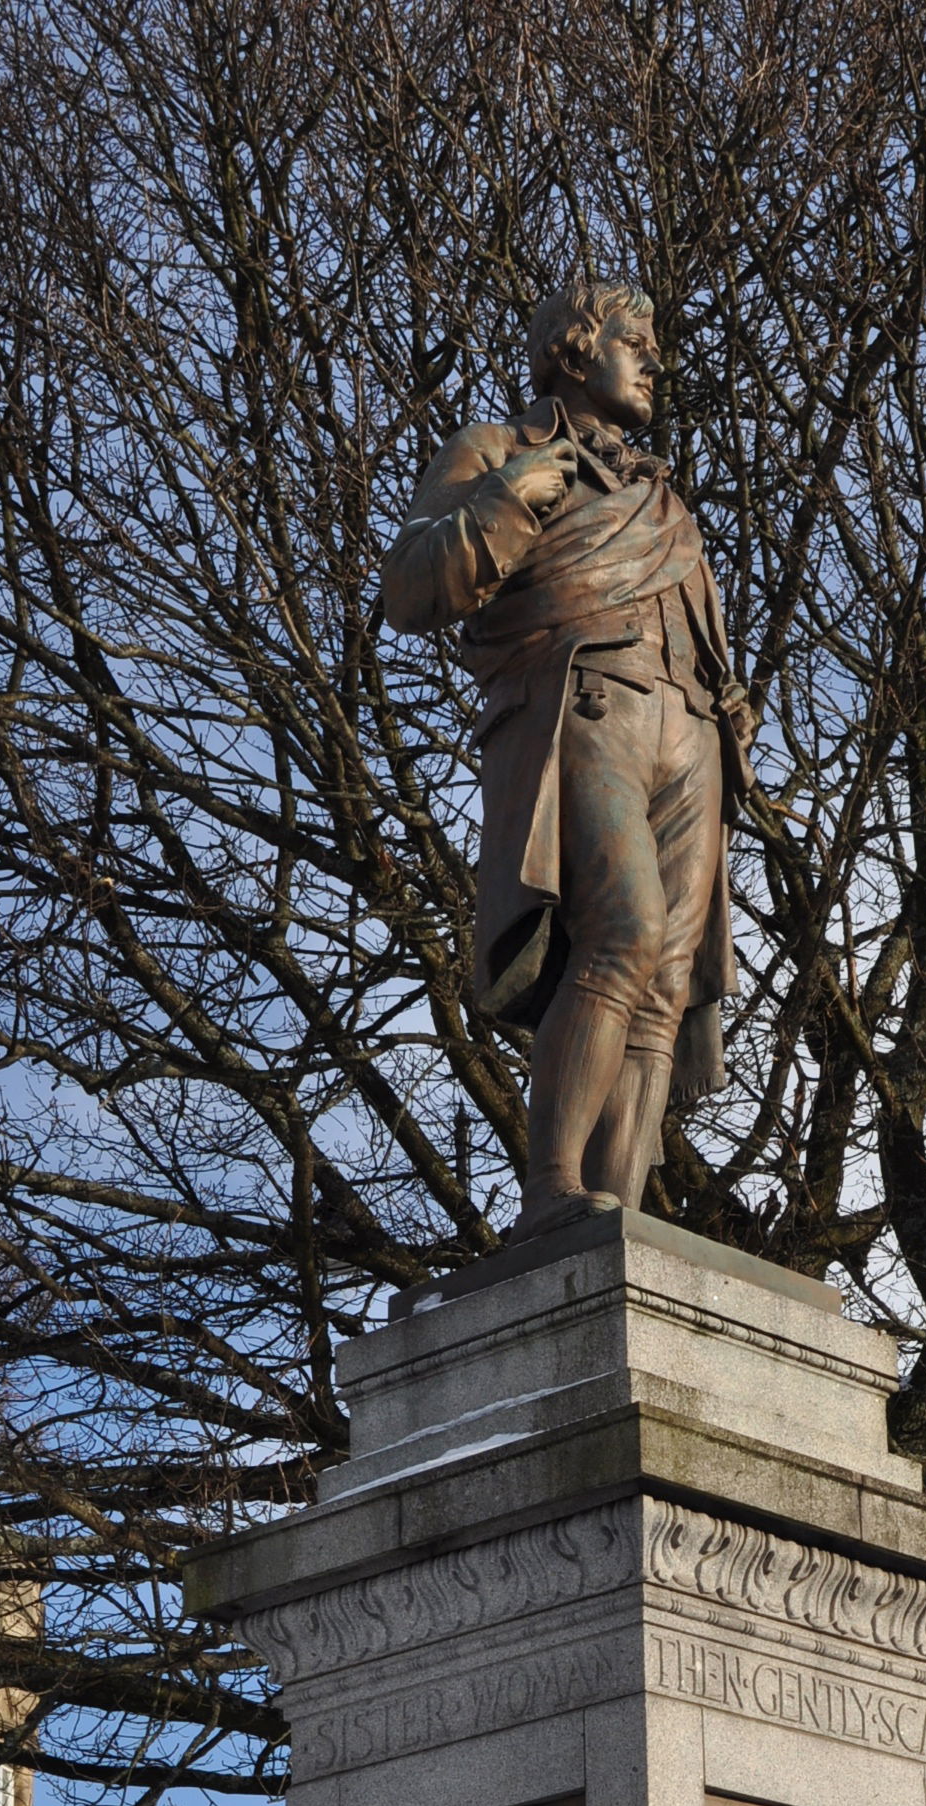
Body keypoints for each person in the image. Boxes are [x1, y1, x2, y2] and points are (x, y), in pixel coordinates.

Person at [382, 277, 754, 1232]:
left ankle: (619, 1217)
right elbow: (413, 588)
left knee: (667, 982)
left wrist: (727, 698)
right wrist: (507, 500)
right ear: (577, 351)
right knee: (621, 932)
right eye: (639, 340)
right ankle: (553, 1190)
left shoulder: (662, 495)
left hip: (688, 729)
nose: (657, 361)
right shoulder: (498, 450)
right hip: (588, 704)